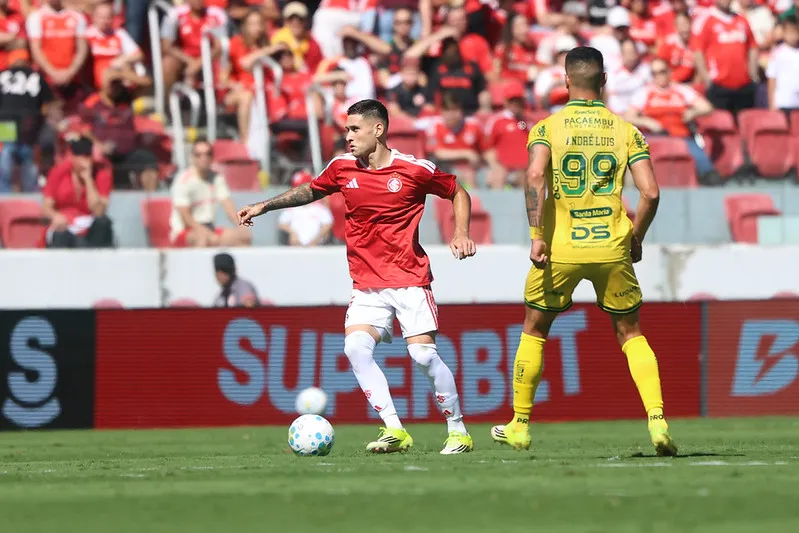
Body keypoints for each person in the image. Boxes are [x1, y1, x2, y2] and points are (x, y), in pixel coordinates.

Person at [237, 99, 477, 455]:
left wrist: (461, 232)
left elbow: (457, 192)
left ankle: (458, 431)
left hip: (409, 279)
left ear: (378, 129)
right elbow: (310, 190)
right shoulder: (341, 168)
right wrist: (264, 205)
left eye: (354, 129)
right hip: (366, 284)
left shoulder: (414, 169)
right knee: (355, 348)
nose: (347, 136)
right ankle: (394, 429)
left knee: (423, 356)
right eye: (346, 130)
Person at [490, 46, 677, 457]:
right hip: (611, 246)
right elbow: (650, 192)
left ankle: (520, 424)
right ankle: (657, 420)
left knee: (535, 328)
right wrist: (635, 238)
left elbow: (534, 175)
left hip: (561, 248)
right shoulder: (627, 131)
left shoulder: (546, 128)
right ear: (604, 81)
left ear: (565, 80)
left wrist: (537, 234)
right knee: (631, 332)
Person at [169, 140, 252, 248]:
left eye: (207, 154)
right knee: (202, 239)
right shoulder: (183, 180)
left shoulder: (217, 178)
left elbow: (229, 207)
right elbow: (185, 217)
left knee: (243, 237)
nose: (203, 158)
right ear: (192, 158)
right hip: (185, 231)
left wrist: (241, 225)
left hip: (209, 228)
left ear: (212, 157)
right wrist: (207, 234)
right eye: (198, 155)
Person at [42, 135, 114, 248]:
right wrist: (55, 216)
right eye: (80, 156)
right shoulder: (58, 172)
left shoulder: (101, 174)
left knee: (103, 223)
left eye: (87, 156)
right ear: (72, 157)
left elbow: (99, 211)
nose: (83, 161)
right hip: (65, 225)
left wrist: (88, 180)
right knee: (61, 235)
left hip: (88, 225)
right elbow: (46, 207)